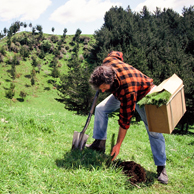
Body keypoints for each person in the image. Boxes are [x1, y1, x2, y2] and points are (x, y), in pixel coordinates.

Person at [87, 51, 168, 184]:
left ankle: (161, 167)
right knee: (101, 109)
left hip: (143, 94)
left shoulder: (127, 91)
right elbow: (117, 53)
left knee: (154, 130)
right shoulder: (108, 62)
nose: (102, 91)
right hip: (122, 89)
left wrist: (118, 145)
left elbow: (125, 121)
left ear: (111, 81)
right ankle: (99, 143)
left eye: (103, 88)